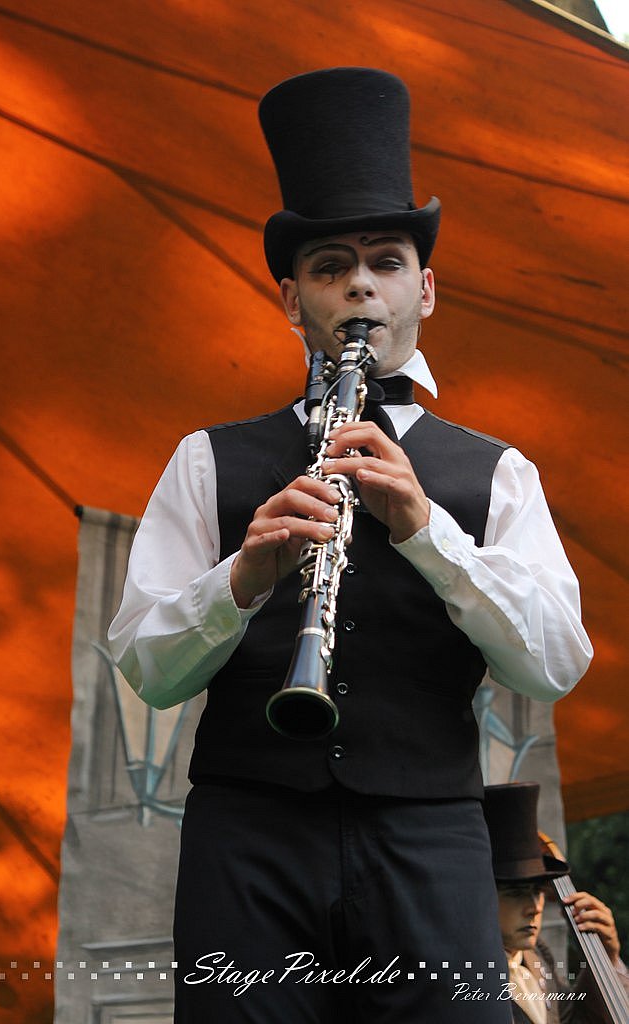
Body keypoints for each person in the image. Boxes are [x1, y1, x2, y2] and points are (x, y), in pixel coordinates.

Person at [108, 67, 593, 1022]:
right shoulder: (207, 459)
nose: (360, 283)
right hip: (248, 838)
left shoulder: (497, 473)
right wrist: (243, 577)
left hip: (429, 839)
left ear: (426, 289)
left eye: (385, 261)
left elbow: (554, 664)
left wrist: (426, 532)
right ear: (294, 303)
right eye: (330, 267)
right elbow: (147, 670)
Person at [483, 782, 629, 1023]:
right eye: (516, 892)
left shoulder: (538, 956)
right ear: (482, 894)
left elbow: (575, 1020)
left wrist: (607, 958)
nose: (535, 907)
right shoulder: (462, 971)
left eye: (538, 891)